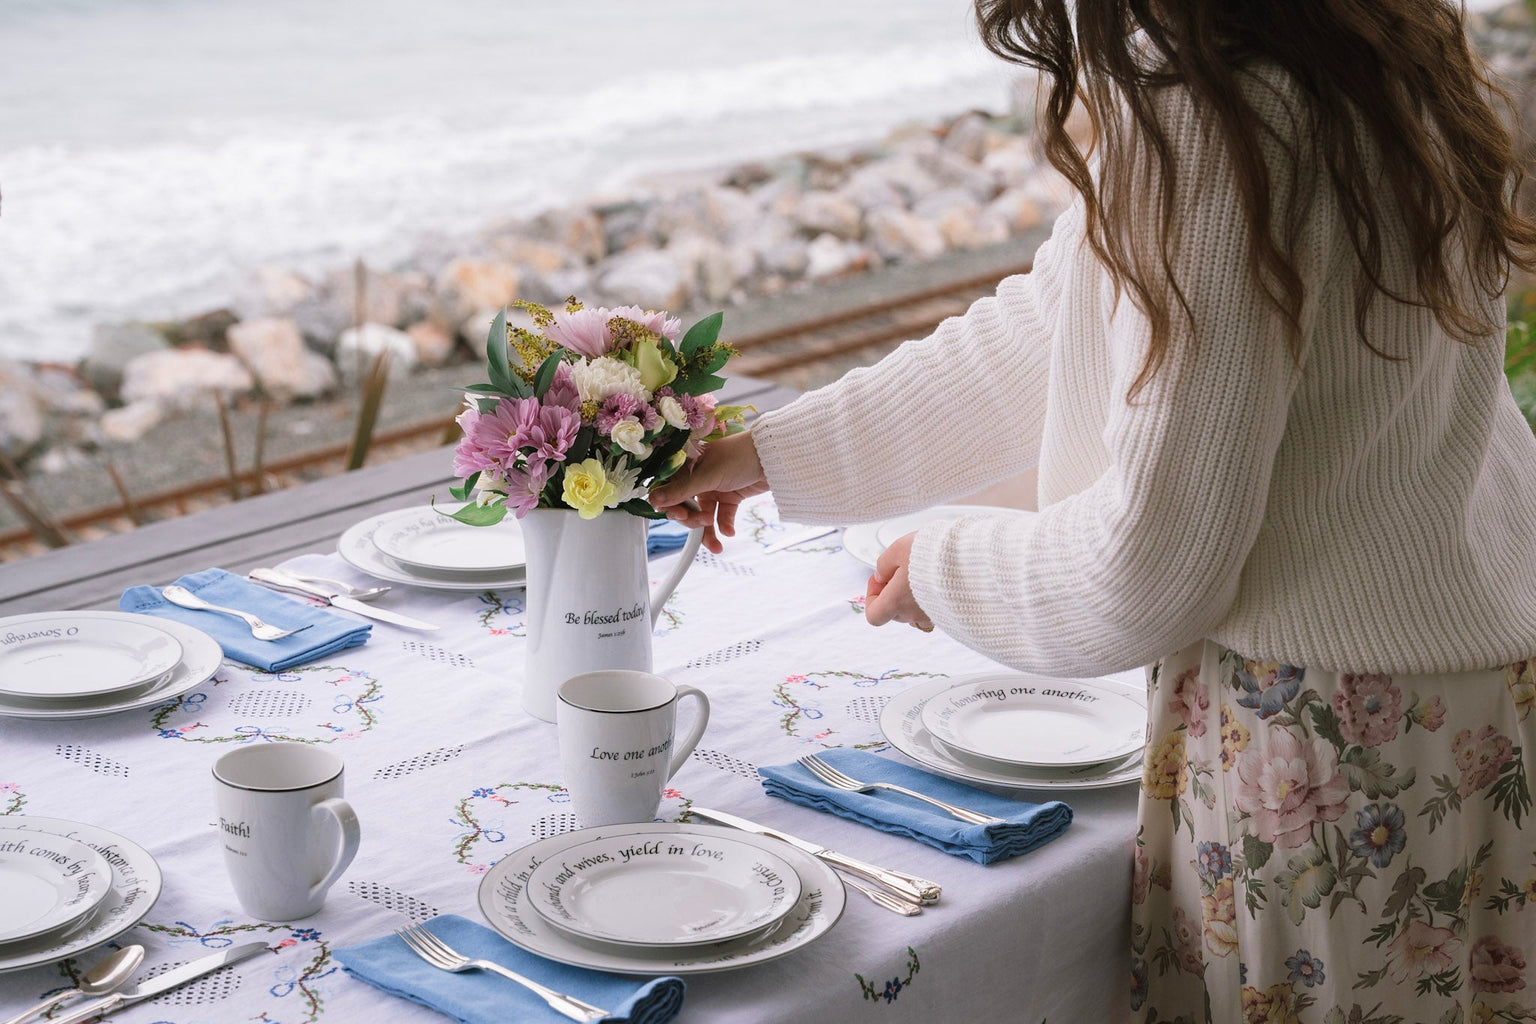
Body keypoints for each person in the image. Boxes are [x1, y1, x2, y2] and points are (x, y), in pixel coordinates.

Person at [651, 1, 1536, 1021]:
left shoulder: (1215, 105)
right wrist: (774, 453)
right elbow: (1061, 322)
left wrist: (946, 564)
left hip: (1327, 743)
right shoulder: (1360, 34)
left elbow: (1151, 567)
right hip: (1469, 706)